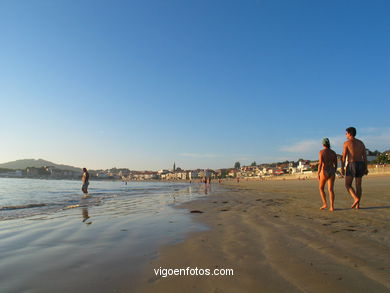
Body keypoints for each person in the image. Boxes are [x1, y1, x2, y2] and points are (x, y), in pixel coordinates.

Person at [341, 127, 368, 209]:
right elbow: (365, 157)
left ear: (350, 133)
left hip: (352, 164)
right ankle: (358, 205)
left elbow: (344, 156)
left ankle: (355, 198)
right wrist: (365, 168)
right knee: (358, 186)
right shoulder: (361, 143)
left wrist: (342, 168)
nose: (345, 134)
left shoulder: (346, 143)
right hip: (360, 164)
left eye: (346, 133)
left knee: (347, 184)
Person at [317, 138, 338, 211]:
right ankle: (332, 207)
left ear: (323, 144)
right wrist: (334, 170)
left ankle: (325, 204)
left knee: (321, 188)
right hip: (331, 170)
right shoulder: (333, 152)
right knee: (331, 189)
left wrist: (318, 173)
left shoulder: (321, 152)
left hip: (324, 170)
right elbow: (336, 163)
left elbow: (320, 164)